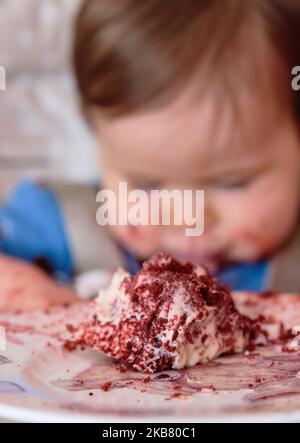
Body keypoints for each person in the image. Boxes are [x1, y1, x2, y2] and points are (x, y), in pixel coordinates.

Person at [1, 0, 300, 312]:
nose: (187, 217)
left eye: (231, 182)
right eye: (146, 184)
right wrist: (19, 288)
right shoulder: (63, 223)